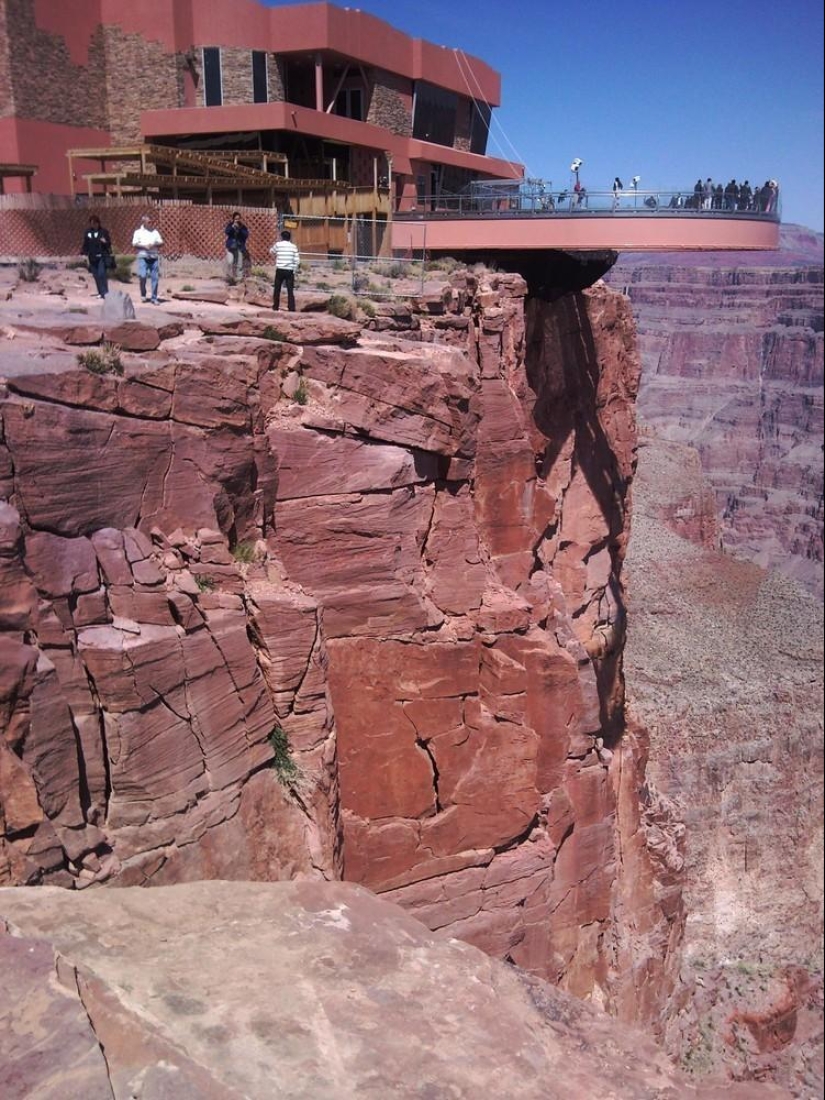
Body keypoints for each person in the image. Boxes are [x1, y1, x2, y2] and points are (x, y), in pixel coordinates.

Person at [131, 214, 164, 304]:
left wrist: (153, 245)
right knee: (142, 275)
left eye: (151, 221)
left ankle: (154, 298)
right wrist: (144, 246)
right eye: (149, 221)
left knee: (155, 278)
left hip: (154, 256)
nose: (150, 223)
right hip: (143, 256)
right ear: (144, 222)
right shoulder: (138, 232)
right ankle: (143, 293)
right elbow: (134, 244)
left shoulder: (155, 232)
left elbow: (161, 242)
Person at [80, 215, 113, 299]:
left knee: (102, 274)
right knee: (96, 275)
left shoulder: (103, 232)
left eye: (95, 223)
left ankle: (105, 292)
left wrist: (105, 242)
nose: (93, 225)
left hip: (102, 256)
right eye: (92, 223)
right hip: (92, 257)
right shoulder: (88, 232)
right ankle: (100, 292)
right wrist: (83, 253)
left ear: (98, 223)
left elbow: (109, 243)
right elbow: (86, 244)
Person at [269, 229, 300, 311]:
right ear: (289, 238)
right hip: (289, 270)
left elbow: (271, 251)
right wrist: (294, 269)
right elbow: (297, 260)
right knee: (290, 290)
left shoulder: (278, 245)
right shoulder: (293, 246)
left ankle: (275, 306)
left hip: (280, 269)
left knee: (277, 289)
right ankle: (291, 308)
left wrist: (277, 254)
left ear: (281, 237)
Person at [224, 211, 249, 282]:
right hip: (230, 247)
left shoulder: (243, 227)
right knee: (229, 262)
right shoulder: (230, 225)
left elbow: (246, 235)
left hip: (239, 247)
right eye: (235, 219)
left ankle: (239, 279)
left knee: (239, 264)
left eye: (238, 219)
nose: (237, 220)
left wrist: (240, 229)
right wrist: (232, 227)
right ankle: (229, 278)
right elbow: (226, 232)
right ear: (233, 219)